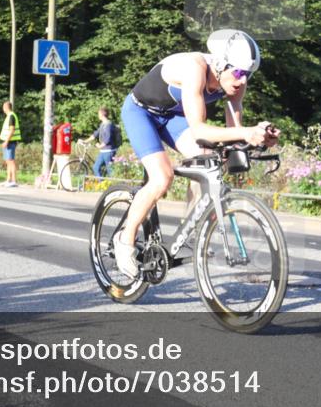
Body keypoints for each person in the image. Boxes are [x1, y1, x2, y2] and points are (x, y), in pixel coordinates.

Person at [114, 29, 280, 278]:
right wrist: (246, 133)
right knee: (162, 178)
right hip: (142, 113)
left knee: (207, 162)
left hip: (173, 117)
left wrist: (259, 138)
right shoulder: (195, 68)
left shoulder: (236, 83)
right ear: (221, 64)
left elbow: (234, 134)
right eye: (238, 72)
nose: (243, 80)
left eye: (248, 75)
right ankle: (125, 240)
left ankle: (190, 231)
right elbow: (200, 128)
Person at [80, 107, 120, 178]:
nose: (98, 115)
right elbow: (95, 135)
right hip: (103, 151)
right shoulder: (102, 124)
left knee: (110, 170)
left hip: (109, 151)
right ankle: (102, 184)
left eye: (98, 114)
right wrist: (84, 141)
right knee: (96, 167)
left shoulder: (108, 125)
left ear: (102, 114)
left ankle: (113, 186)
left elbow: (108, 139)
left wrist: (100, 146)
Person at [0, 101, 21, 187]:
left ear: (6, 107)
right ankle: (8, 180)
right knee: (8, 161)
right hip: (8, 141)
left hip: (10, 142)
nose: (3, 109)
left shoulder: (11, 116)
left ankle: (14, 181)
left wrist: (6, 141)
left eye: (3, 107)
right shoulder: (9, 116)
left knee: (11, 161)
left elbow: (12, 130)